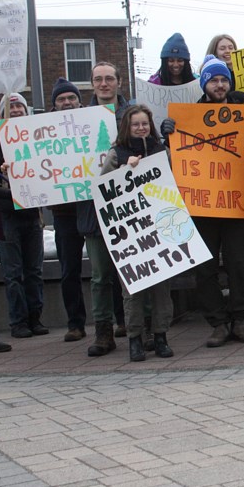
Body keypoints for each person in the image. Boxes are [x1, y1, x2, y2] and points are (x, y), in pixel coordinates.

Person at [162, 56, 244, 347]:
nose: (219, 85)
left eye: (223, 80)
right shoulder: (189, 116)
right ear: (205, 85)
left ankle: (239, 320)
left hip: (237, 202)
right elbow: (176, 155)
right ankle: (217, 322)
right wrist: (168, 136)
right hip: (202, 205)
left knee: (239, 264)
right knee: (204, 268)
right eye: (214, 80)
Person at [99, 105, 175, 361]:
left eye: (144, 123)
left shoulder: (160, 151)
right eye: (135, 124)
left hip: (158, 229)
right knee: (132, 290)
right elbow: (103, 190)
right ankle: (135, 339)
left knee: (161, 288)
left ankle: (161, 336)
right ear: (126, 128)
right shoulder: (116, 153)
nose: (141, 128)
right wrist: (123, 170)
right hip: (129, 234)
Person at [77, 62, 130, 354]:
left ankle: (136, 325)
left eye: (109, 78)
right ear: (92, 84)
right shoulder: (76, 122)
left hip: (127, 208)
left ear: (119, 82)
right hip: (92, 210)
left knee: (131, 271)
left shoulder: (133, 116)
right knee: (99, 276)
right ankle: (103, 332)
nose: (104, 84)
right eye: (98, 79)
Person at [0, 93, 47, 339]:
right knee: (13, 272)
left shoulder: (37, 137)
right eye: (11, 107)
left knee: (34, 269)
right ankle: (18, 322)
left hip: (31, 211)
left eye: (19, 106)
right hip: (6, 216)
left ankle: (35, 318)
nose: (15, 110)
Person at [47, 78, 89, 341]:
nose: (66, 103)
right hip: (63, 212)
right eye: (61, 99)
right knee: (69, 270)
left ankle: (117, 320)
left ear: (79, 101)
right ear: (54, 105)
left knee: (105, 269)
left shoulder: (91, 124)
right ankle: (76, 323)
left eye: (71, 98)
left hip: (93, 207)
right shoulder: (42, 131)